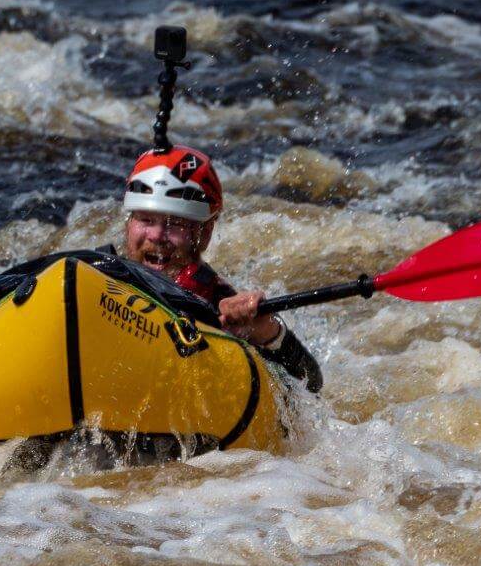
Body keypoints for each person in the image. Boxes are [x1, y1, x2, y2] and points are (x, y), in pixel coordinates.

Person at [102, 145, 322, 392]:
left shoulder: (219, 304)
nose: (157, 235)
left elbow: (311, 384)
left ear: (204, 234)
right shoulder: (99, 272)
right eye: (145, 219)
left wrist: (265, 331)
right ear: (129, 224)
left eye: (175, 224)